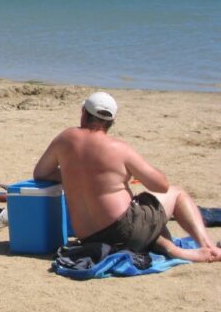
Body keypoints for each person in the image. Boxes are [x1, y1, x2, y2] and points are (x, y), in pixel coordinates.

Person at [33, 91, 221, 263]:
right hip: (124, 231)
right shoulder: (118, 148)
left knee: (147, 213)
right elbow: (161, 186)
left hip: (89, 237)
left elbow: (40, 172)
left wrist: (73, 176)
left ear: (83, 113)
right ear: (111, 122)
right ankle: (208, 248)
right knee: (177, 193)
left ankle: (172, 249)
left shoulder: (65, 139)